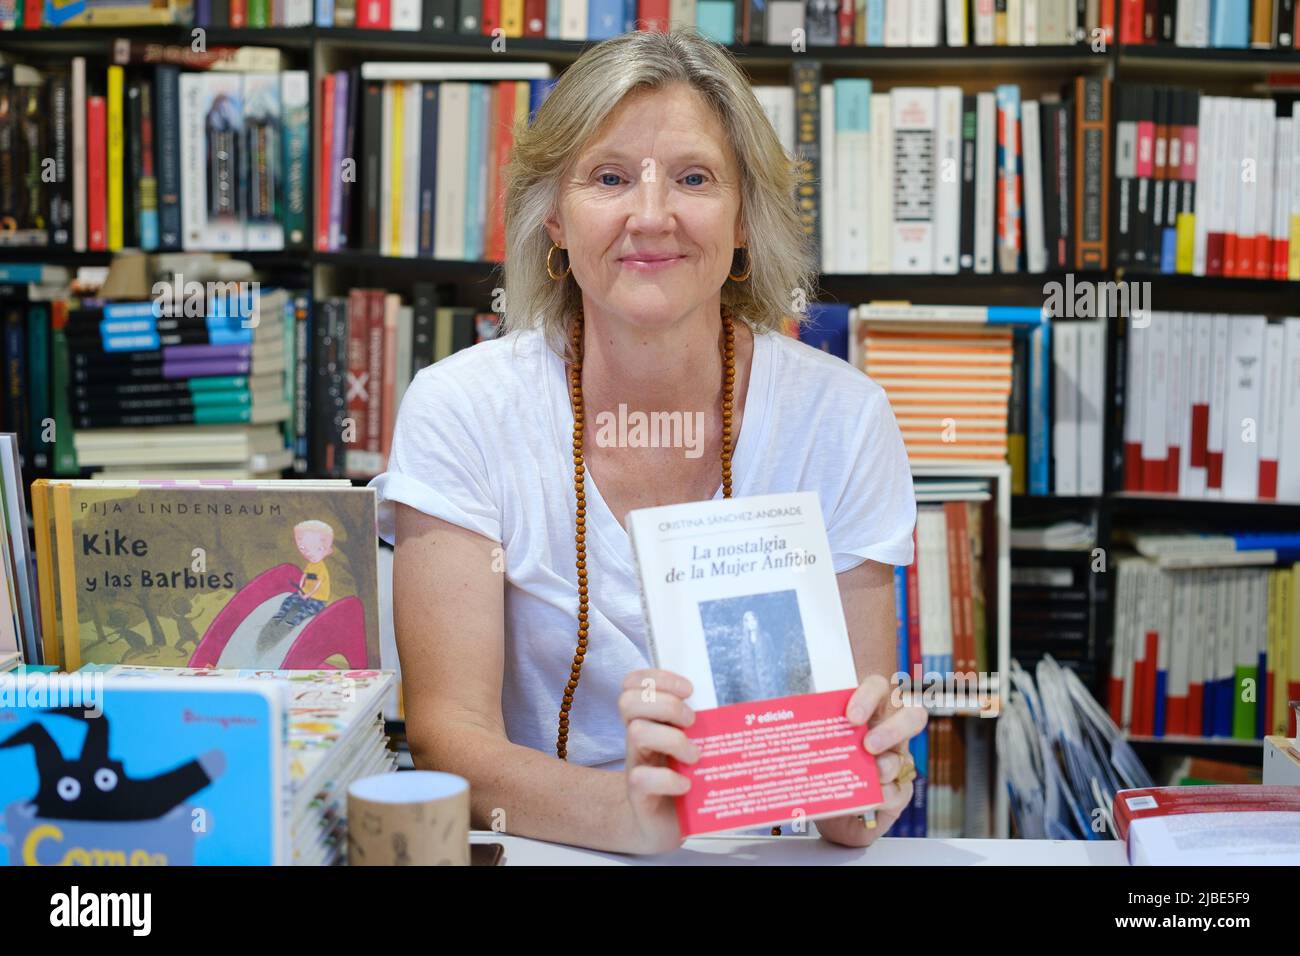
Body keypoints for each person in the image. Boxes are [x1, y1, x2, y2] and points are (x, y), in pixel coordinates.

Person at [372, 27, 925, 855]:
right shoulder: (461, 408)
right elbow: (447, 743)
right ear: (554, 216)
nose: (652, 215)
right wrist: (633, 818)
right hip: (551, 848)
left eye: (695, 178)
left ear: (745, 219)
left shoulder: (844, 419)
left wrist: (869, 783)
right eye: (609, 177)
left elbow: (847, 811)